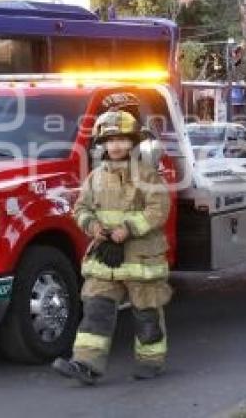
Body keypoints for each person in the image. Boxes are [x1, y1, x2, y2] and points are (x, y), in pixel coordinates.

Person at [53, 110, 171, 385]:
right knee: (96, 310)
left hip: (141, 260)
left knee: (146, 313)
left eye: (121, 139)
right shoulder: (95, 177)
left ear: (132, 142)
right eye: (109, 140)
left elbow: (158, 210)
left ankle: (151, 361)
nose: (115, 145)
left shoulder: (147, 175)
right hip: (106, 258)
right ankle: (86, 364)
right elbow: (80, 208)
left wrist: (128, 228)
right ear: (102, 144)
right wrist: (93, 226)